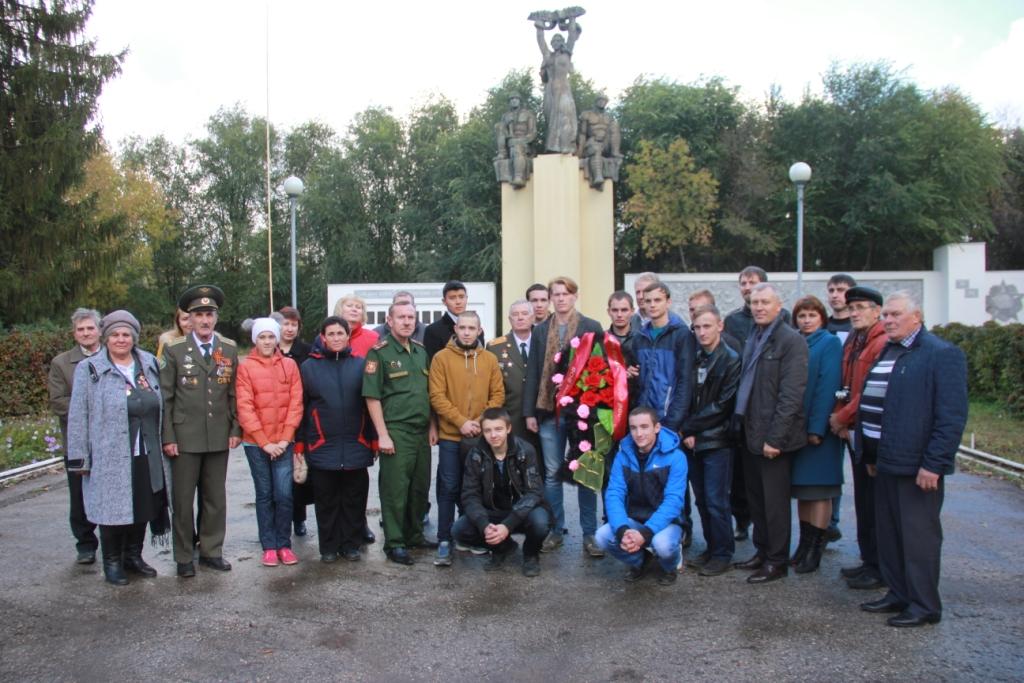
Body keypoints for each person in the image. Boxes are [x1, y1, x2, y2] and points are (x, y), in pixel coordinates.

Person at [857, 291, 967, 627]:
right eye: (886, 315)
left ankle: (924, 604)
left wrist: (934, 463)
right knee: (889, 534)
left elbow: (951, 416)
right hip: (886, 462)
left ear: (916, 317)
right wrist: (871, 454)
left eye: (895, 315)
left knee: (918, 538)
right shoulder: (890, 350)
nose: (887, 320)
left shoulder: (941, 354)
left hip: (917, 466)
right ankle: (898, 593)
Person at [66, 310, 170, 586]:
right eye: (115, 334)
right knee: (112, 510)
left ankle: (133, 556)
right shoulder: (90, 370)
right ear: (106, 337)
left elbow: (162, 402)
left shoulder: (148, 362)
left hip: (146, 450)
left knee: (143, 505)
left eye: (126, 335)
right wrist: (79, 459)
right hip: (109, 453)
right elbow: (78, 416)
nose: (121, 339)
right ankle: (112, 561)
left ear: (134, 338)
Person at [160, 284, 241, 578]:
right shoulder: (175, 350)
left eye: (210, 314)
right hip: (184, 438)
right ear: (189, 319)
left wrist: (235, 428)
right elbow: (165, 399)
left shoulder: (228, 349)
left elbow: (233, 393)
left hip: (218, 435)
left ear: (216, 318)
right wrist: (168, 437)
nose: (205, 320)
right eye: (199, 315)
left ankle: (211, 551)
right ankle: (183, 556)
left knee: (215, 499)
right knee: (182, 501)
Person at [732, 283, 808, 584]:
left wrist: (775, 439)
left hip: (773, 439)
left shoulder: (791, 341)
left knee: (775, 504)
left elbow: (791, 396)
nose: (759, 307)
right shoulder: (755, 335)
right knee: (757, 501)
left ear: (779, 306)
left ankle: (777, 561)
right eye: (754, 302)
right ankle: (762, 552)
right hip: (749, 433)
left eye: (765, 302)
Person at [523, 276, 604, 555]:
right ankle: (556, 530)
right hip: (547, 411)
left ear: (574, 296)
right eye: (555, 294)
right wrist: (529, 412)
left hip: (582, 413)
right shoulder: (541, 329)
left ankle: (590, 534)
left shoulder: (591, 327)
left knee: (584, 473)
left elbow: (601, 369)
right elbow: (533, 371)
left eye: (565, 294)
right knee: (552, 474)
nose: (560, 299)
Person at [363, 302, 438, 565]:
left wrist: (432, 427)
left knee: (419, 487)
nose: (407, 322)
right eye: (401, 317)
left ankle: (414, 535)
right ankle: (394, 543)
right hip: (396, 430)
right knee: (395, 490)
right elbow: (372, 397)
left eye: (411, 317)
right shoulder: (379, 353)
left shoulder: (420, 351)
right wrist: (382, 434)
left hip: (421, 432)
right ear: (389, 320)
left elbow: (427, 394)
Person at [298, 317, 377, 563]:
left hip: (357, 444)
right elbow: (301, 408)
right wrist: (301, 443)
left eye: (340, 333)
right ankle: (329, 547)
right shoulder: (309, 367)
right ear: (323, 337)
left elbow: (371, 405)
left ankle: (351, 544)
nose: (335, 338)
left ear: (347, 336)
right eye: (330, 333)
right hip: (322, 445)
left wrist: (373, 440)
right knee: (327, 501)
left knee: (354, 499)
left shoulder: (360, 365)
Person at [428, 311, 505, 566]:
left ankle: (469, 536)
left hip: (481, 437)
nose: (467, 332)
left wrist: (481, 424)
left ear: (479, 330)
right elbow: (437, 396)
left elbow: (497, 395)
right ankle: (444, 539)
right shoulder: (441, 358)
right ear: (456, 329)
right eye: (462, 327)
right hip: (452, 435)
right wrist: (461, 422)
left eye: (472, 328)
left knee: (476, 489)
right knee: (449, 487)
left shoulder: (490, 360)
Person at [827, 286, 889, 589]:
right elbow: (845, 384)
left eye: (861, 307)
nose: (854, 313)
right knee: (863, 499)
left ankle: (880, 566)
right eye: (852, 308)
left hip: (870, 430)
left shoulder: (881, 343)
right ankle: (869, 560)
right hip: (853, 429)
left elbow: (869, 391)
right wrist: (840, 414)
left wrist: (842, 416)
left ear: (877, 311)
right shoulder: (854, 339)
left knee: (876, 501)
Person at [723, 266, 790, 542]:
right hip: (744, 416)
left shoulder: (786, 331)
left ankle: (774, 553)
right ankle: (752, 535)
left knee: (772, 493)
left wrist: (777, 434)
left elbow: (790, 390)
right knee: (748, 484)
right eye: (744, 284)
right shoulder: (741, 326)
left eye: (763, 300)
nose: (749, 289)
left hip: (770, 421)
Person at [631, 281, 695, 547]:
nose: (652, 305)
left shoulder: (681, 335)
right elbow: (637, 376)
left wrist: (673, 421)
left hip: (668, 418)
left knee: (675, 476)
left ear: (668, 302)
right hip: (644, 417)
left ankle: (682, 528)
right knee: (650, 476)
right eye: (647, 301)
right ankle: (651, 529)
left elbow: (685, 381)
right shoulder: (640, 336)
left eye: (657, 300)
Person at [236, 317, 303, 567]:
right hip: (257, 445)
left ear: (277, 339)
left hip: (284, 443)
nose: (267, 341)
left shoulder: (290, 365)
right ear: (255, 339)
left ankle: (284, 544)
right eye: (262, 337)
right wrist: (264, 442)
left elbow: (296, 404)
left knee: (284, 495)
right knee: (264, 494)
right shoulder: (246, 368)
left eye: (271, 337)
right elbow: (245, 407)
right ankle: (269, 545)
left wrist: (285, 439)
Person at [680, 305, 741, 577]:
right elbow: (686, 397)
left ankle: (722, 553)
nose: (702, 332)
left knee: (717, 501)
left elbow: (722, 405)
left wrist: (687, 428)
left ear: (720, 326)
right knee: (702, 500)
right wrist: (688, 432)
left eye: (707, 326)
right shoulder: (694, 358)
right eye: (697, 327)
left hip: (717, 442)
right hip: (693, 442)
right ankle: (711, 547)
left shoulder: (730, 360)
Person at [596, 407, 688, 585]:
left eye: (645, 427)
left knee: (663, 545)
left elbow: (674, 501)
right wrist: (623, 530)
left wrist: (645, 534)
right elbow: (614, 494)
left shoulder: (676, 457)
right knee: (602, 536)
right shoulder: (623, 455)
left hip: (667, 523)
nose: (639, 433)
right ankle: (642, 561)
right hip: (635, 519)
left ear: (657, 427)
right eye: (633, 428)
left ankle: (670, 566)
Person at [453, 408, 549, 576]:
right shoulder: (475, 454)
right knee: (459, 530)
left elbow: (534, 492)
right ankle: (502, 547)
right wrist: (484, 525)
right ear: (482, 432)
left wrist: (507, 525)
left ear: (508, 428)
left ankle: (531, 554)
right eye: (488, 430)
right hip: (492, 511)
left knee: (541, 522)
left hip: (522, 511)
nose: (493, 435)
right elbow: (470, 494)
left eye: (498, 429)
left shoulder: (525, 450)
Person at [788, 296, 843, 574]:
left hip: (818, 431)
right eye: (802, 315)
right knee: (803, 491)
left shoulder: (829, 343)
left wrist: (816, 428)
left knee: (820, 491)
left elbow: (827, 386)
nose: (806, 320)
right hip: (797, 429)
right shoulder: (798, 341)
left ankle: (815, 550)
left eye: (812, 315)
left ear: (822, 318)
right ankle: (803, 545)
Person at [47, 307, 102, 564]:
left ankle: (119, 542)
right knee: (79, 495)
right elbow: (58, 401)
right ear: (74, 333)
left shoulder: (113, 356)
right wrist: (94, 409)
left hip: (109, 441)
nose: (86, 333)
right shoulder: (61, 363)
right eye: (81, 329)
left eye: (90, 328)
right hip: (78, 441)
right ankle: (85, 544)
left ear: (99, 330)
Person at [822, 274, 857, 541]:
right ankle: (829, 522)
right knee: (831, 469)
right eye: (832, 290)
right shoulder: (825, 326)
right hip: (830, 410)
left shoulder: (858, 327)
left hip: (855, 410)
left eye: (841, 290)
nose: (836, 295)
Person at [277, 306, 315, 538]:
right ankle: (279, 518)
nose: (289, 328)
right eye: (286, 324)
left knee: (299, 471)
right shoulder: (269, 346)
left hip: (301, 415)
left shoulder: (306, 351)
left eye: (294, 324)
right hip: (275, 417)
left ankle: (299, 518)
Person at [486, 299, 541, 454]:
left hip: (540, 415)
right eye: (515, 315)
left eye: (524, 314)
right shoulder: (495, 347)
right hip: (510, 416)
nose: (520, 318)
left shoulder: (543, 342)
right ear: (509, 319)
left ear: (532, 318)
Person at [535, 16, 581, 153]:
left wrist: (572, 18)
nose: (556, 42)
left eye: (558, 40)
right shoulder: (548, 56)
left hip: (564, 88)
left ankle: (566, 145)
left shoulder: (567, 54)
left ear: (562, 42)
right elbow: (540, 42)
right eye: (554, 41)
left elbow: (572, 36)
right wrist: (540, 27)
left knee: (566, 116)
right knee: (551, 119)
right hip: (550, 90)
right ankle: (553, 146)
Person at [424, 280, 485, 361]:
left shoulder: (477, 330)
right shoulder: (433, 331)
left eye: (461, 297)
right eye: (452, 298)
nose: (458, 302)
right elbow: (433, 365)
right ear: (444, 301)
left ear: (466, 299)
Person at [495, 93, 537, 188]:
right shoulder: (505, 116)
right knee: (499, 126)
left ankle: (519, 177)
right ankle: (502, 153)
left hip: (524, 143)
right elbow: (502, 132)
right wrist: (506, 124)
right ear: (509, 102)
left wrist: (522, 140)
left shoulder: (528, 114)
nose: (514, 100)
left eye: (516, 98)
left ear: (520, 101)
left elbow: (533, 133)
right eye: (511, 99)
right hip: (510, 142)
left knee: (517, 148)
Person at [333, 294, 379, 358]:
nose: (354, 309)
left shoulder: (373, 337)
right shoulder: (327, 336)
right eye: (349, 306)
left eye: (358, 307)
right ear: (340, 309)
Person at [826, 274, 857, 345]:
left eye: (840, 290)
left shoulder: (860, 326)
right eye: (831, 291)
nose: (834, 295)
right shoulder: (821, 326)